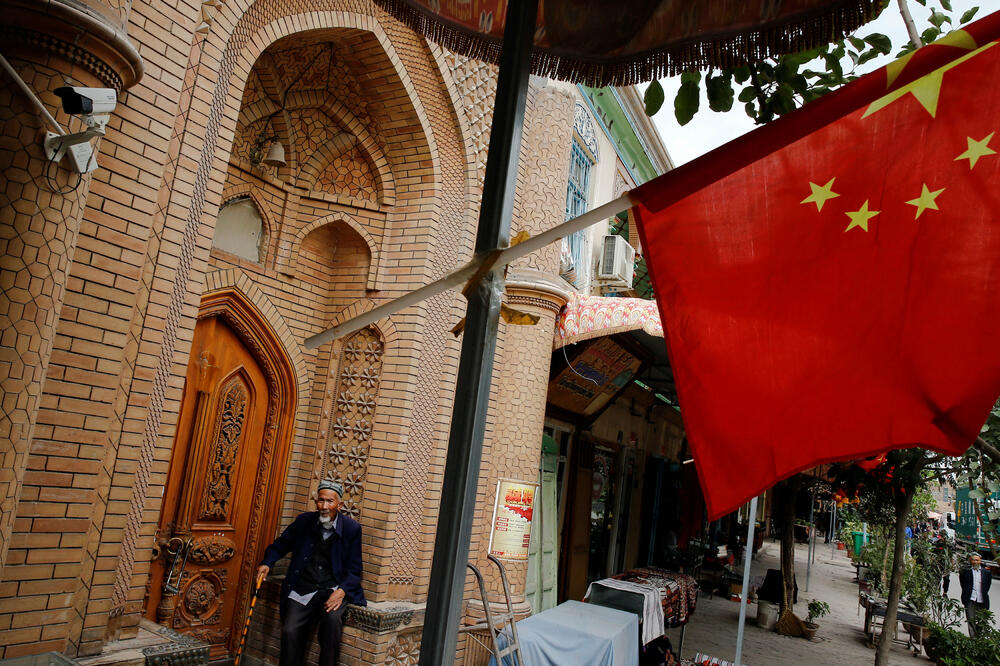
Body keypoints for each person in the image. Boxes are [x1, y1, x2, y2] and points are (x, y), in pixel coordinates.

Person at [257, 480, 366, 666]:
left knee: (332, 623)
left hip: (332, 588)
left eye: (330, 502)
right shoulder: (304, 522)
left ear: (339, 505)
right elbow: (281, 544)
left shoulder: (351, 529)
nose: (324, 506)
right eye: (320, 500)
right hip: (304, 587)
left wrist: (341, 592)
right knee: (290, 630)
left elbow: (355, 569)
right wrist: (267, 563)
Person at [958, 553, 991, 637]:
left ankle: (979, 636)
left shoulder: (986, 572)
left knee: (982, 619)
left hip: (982, 599)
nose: (975, 562)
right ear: (970, 561)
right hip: (970, 598)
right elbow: (963, 583)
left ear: (980, 561)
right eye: (974, 560)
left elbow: (987, 585)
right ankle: (973, 638)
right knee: (971, 619)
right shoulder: (966, 571)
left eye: (977, 560)